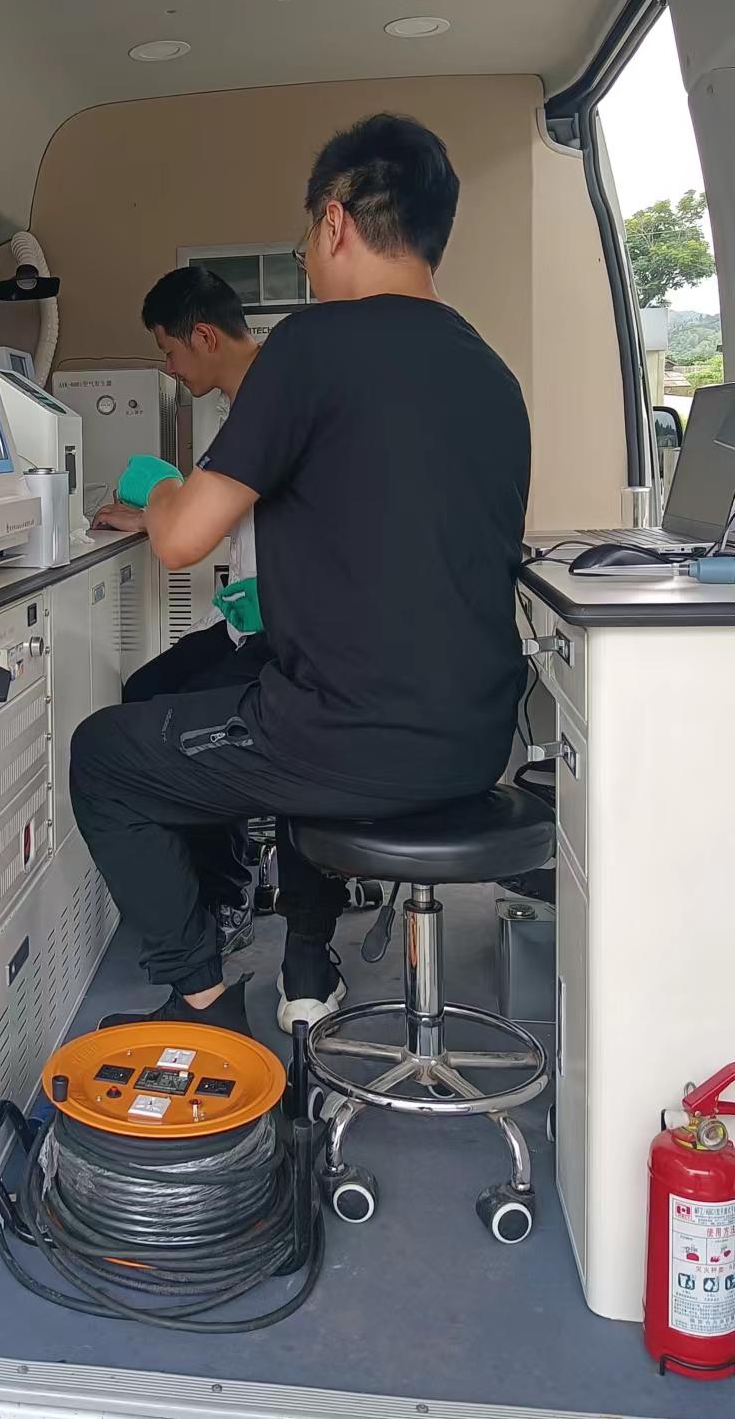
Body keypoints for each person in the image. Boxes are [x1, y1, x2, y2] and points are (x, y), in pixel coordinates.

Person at [69, 113, 530, 1037]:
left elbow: (181, 541)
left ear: (335, 220)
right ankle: (303, 958)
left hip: (350, 745)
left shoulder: (311, 345)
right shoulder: (491, 373)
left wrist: (157, 491)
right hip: (480, 744)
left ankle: (202, 998)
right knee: (270, 687)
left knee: (104, 756)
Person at [92, 266, 267, 955]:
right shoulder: (239, 405)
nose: (169, 368)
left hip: (289, 637)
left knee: (179, 724)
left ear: (204, 336)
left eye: (170, 351)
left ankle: (225, 894)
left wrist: (161, 497)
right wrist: (152, 518)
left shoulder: (269, 403)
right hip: (249, 623)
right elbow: (236, 513)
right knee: (146, 690)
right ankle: (198, 882)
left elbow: (181, 546)